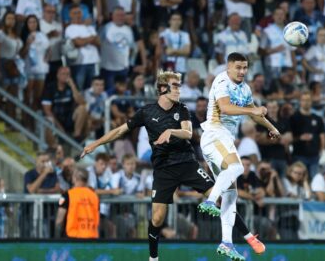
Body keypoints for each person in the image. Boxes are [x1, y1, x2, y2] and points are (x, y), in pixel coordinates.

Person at [81, 69, 265, 261]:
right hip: (163, 170)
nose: (179, 89)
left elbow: (187, 132)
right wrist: (95, 144)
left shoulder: (182, 109)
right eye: (175, 85)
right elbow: (120, 130)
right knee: (158, 217)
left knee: (220, 196)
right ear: (162, 88)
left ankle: (249, 236)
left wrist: (171, 131)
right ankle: (153, 258)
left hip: (187, 163)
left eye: (179, 85)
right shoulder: (146, 112)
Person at [198, 51, 278, 257]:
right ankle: (209, 201)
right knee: (237, 167)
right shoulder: (221, 80)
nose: (242, 71)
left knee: (231, 194)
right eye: (238, 67)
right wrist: (252, 112)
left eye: (245, 68)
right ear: (229, 67)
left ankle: (226, 242)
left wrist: (271, 127)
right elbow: (225, 108)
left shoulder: (245, 89)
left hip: (225, 140)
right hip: (214, 135)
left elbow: (255, 111)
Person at [289, 92, 325, 179]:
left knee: (314, 180)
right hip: (299, 154)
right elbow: (289, 137)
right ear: (300, 102)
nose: (306, 102)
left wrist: (321, 151)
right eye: (304, 100)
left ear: (311, 101)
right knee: (299, 179)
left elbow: (322, 136)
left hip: (314, 156)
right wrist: (300, 138)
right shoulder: (294, 118)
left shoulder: (318, 118)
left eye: (308, 100)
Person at [55, 168, 100, 238]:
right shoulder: (94, 196)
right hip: (91, 236)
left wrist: (57, 238)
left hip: (72, 236)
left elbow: (59, 220)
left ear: (74, 178)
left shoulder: (66, 195)